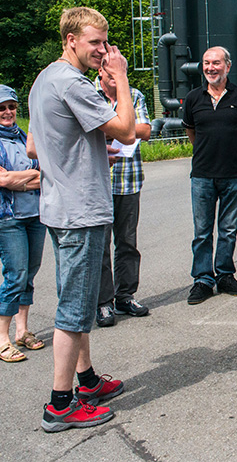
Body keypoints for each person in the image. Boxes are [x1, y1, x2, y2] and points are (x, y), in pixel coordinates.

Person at [28, 7, 135, 432]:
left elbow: (41, 145)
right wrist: (121, 76)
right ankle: (60, 405)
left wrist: (89, 149)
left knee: (82, 299)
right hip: (80, 211)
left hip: (60, 205)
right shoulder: (72, 82)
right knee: (74, 309)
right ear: (71, 39)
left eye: (105, 42)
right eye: (95, 42)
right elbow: (126, 129)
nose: (103, 50)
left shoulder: (45, 78)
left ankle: (87, 381)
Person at [0, 84, 45, 363]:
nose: (7, 112)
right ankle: (0, 340)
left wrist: (19, 179)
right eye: (1, 108)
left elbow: (46, 176)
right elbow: (0, 180)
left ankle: (22, 330)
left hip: (35, 216)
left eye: (11, 107)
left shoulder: (26, 139)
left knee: (29, 273)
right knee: (15, 275)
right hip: (7, 219)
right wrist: (30, 178)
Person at [182, 46, 237, 305]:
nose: (211, 67)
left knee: (228, 230)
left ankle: (224, 275)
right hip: (202, 175)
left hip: (234, 174)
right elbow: (192, 132)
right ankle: (202, 279)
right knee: (202, 231)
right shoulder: (193, 98)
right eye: (207, 63)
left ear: (228, 66)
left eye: (216, 63)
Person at [94, 69, 152, 327]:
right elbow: (87, 129)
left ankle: (125, 295)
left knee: (127, 242)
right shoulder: (88, 94)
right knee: (100, 245)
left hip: (128, 180)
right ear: (100, 72)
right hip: (97, 183)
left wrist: (108, 130)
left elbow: (145, 130)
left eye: (121, 74)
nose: (117, 80)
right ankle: (103, 302)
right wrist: (123, 129)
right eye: (112, 75)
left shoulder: (134, 95)